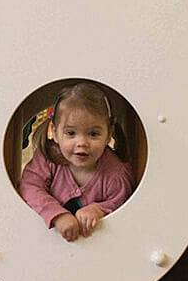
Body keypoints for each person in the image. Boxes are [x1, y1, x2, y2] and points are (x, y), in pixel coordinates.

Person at [18, 82, 135, 243]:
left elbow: (124, 203)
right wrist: (58, 215)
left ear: (108, 135)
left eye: (93, 134)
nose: (82, 143)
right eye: (71, 133)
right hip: (46, 242)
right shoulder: (48, 158)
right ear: (54, 132)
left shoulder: (116, 173)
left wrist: (98, 209)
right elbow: (29, 186)